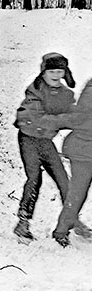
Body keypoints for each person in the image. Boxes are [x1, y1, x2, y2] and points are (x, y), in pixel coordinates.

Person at [12, 53, 89, 242]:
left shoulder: (65, 94)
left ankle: (73, 221)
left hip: (45, 142)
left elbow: (75, 114)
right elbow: (35, 119)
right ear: (43, 73)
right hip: (29, 139)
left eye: (59, 71)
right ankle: (23, 222)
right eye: (51, 71)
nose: (55, 74)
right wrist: (66, 120)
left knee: (64, 181)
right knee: (34, 178)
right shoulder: (35, 90)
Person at [51, 78, 92, 246]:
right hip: (84, 151)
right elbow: (81, 116)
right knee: (77, 193)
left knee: (78, 193)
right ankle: (61, 231)